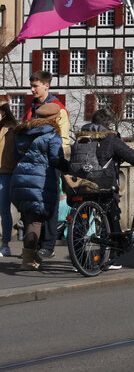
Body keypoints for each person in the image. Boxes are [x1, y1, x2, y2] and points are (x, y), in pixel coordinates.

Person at [68, 108, 134, 270]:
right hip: (103, 184)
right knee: (109, 218)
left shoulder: (81, 138)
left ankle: (78, 261)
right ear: (109, 124)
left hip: (80, 183)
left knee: (80, 224)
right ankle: (107, 258)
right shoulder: (110, 138)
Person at [10, 111, 63, 269]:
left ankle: (31, 259)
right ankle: (28, 261)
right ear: (54, 118)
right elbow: (56, 159)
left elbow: (15, 157)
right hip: (40, 181)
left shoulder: (23, 133)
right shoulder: (52, 136)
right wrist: (69, 167)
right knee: (35, 221)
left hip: (20, 179)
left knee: (28, 219)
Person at [27, 71, 68, 260]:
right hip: (34, 161)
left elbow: (64, 139)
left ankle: (48, 245)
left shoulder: (59, 109)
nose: (32, 89)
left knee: (50, 203)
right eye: (31, 85)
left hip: (51, 162)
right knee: (35, 203)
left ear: (46, 86)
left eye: (35, 86)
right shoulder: (32, 107)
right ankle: (34, 244)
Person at [0, 102, 17, 257]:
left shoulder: (11, 130)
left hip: (5, 172)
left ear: (3, 113)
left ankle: (5, 244)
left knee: (4, 209)